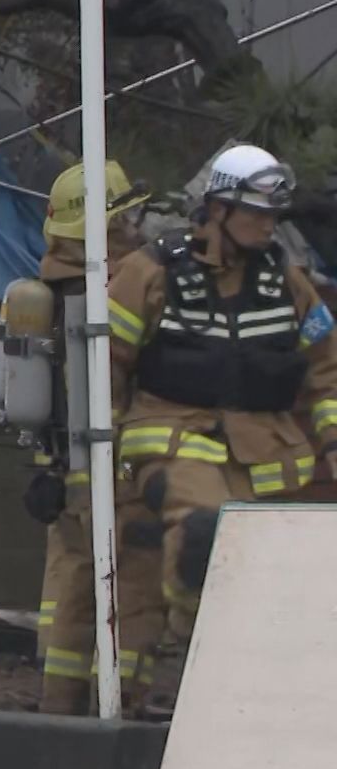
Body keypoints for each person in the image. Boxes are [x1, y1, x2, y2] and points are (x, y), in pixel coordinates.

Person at [109, 145, 337, 704]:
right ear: (216, 208)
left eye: (272, 216)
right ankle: (189, 653)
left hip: (265, 455)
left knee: (264, 575)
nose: (266, 225)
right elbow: (104, 365)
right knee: (204, 531)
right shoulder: (151, 273)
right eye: (254, 212)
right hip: (171, 440)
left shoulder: (287, 283)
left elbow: (326, 369)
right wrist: (101, 457)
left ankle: (248, 688)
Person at [22, 162, 162, 715]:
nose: (134, 230)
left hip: (63, 476)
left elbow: (41, 402)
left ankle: (61, 708)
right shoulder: (118, 292)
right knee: (135, 597)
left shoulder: (44, 295)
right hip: (116, 473)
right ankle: (122, 707)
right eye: (124, 219)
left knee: (75, 597)